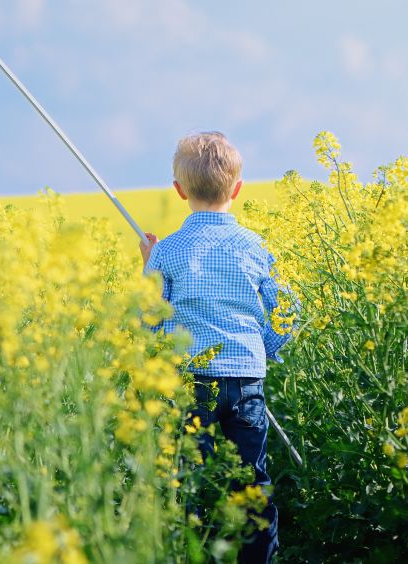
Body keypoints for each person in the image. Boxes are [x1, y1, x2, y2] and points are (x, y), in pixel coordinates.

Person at [139, 131, 295, 563]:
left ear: (179, 191)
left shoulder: (167, 252)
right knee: (252, 487)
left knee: (184, 481)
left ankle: (191, 554)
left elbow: (150, 320)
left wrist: (147, 265)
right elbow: (288, 311)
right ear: (238, 189)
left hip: (191, 383)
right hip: (246, 380)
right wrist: (260, 350)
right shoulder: (256, 246)